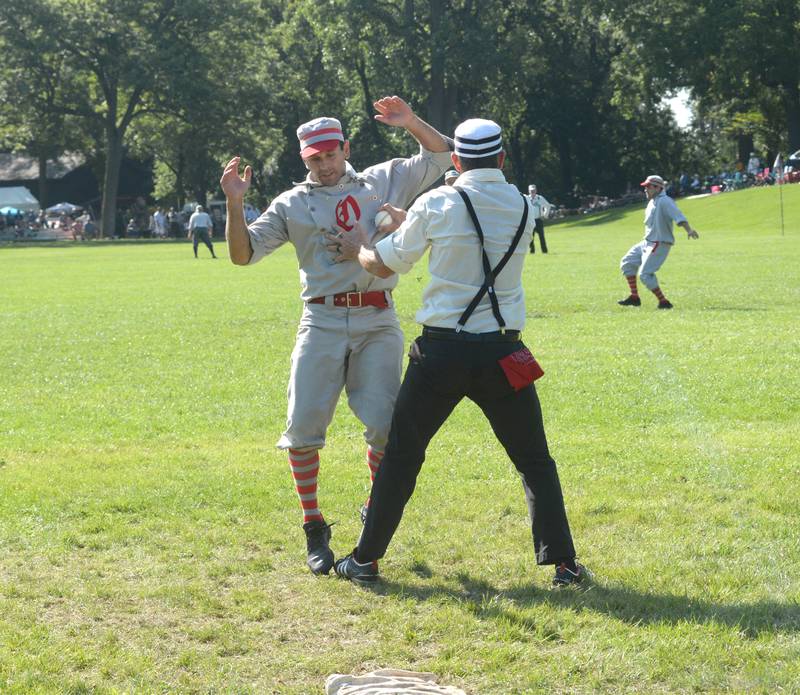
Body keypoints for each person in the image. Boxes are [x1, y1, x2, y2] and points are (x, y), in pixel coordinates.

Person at [329, 118, 587, 587]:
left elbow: (385, 261)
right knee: (534, 461)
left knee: (403, 458)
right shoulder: (526, 208)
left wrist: (359, 246)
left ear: (456, 160)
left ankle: (364, 561)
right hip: (503, 352)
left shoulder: (438, 203)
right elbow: (477, 233)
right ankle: (565, 564)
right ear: (503, 159)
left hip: (442, 353)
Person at [220, 96, 451, 575]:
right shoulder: (292, 203)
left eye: (331, 154)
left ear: (346, 148)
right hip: (321, 320)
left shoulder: (383, 178)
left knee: (388, 428)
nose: (324, 165)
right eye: (314, 158)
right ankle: (313, 524)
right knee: (302, 429)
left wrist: (410, 123)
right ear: (303, 159)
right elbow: (243, 255)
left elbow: (442, 157)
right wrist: (235, 202)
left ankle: (373, 512)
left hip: (377, 318)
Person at [618, 174, 699, 310]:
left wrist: (689, 230)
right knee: (627, 263)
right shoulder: (652, 202)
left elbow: (679, 216)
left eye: (648, 187)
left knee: (644, 274)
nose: (645, 190)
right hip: (647, 242)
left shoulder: (665, 201)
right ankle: (634, 297)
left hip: (659, 243)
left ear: (657, 188)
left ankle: (664, 302)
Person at [526, 184, 551, 254]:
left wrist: (545, 215)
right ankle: (532, 251)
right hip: (530, 221)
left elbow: (547, 206)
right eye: (531, 191)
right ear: (529, 191)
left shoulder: (540, 198)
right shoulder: (527, 199)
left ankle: (544, 251)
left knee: (542, 237)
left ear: (536, 190)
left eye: (533, 190)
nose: (532, 192)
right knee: (531, 237)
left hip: (538, 220)